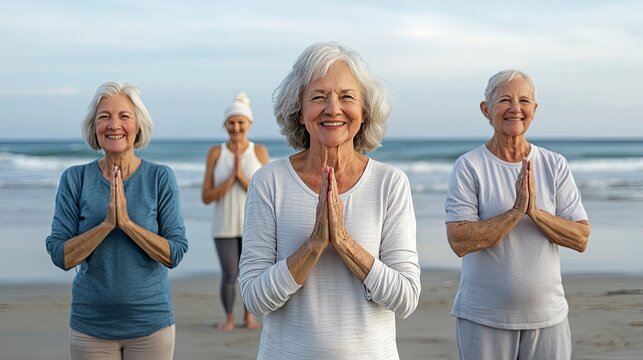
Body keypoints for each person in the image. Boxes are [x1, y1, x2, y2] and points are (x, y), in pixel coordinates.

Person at [238, 41, 421, 359]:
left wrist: (345, 243)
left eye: (346, 97)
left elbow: (405, 298)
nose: (333, 109)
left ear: (364, 112)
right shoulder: (270, 182)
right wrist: (314, 245)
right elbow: (255, 300)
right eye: (318, 97)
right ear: (299, 110)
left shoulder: (389, 183)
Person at [445, 69, 590, 360]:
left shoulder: (554, 164)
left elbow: (580, 237)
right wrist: (515, 212)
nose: (515, 108)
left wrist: (534, 212)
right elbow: (459, 240)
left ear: (534, 110)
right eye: (504, 101)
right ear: (486, 110)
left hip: (548, 317)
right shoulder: (469, 166)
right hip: (483, 317)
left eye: (524, 100)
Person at [45, 82, 188, 360]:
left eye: (124, 116)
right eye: (104, 117)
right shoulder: (75, 179)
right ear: (94, 127)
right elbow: (60, 255)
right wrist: (107, 225)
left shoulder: (160, 178)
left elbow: (175, 252)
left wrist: (128, 224)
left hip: (151, 325)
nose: (114, 125)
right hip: (90, 326)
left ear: (138, 125)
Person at [201, 92, 269, 331]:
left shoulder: (259, 151)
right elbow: (206, 196)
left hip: (253, 225)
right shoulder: (216, 153)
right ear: (225, 124)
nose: (236, 127)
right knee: (230, 273)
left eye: (241, 122)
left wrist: (241, 176)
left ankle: (249, 317)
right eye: (231, 122)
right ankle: (229, 318)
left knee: (250, 274)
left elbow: (266, 192)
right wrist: (230, 178)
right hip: (224, 226)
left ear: (249, 124)